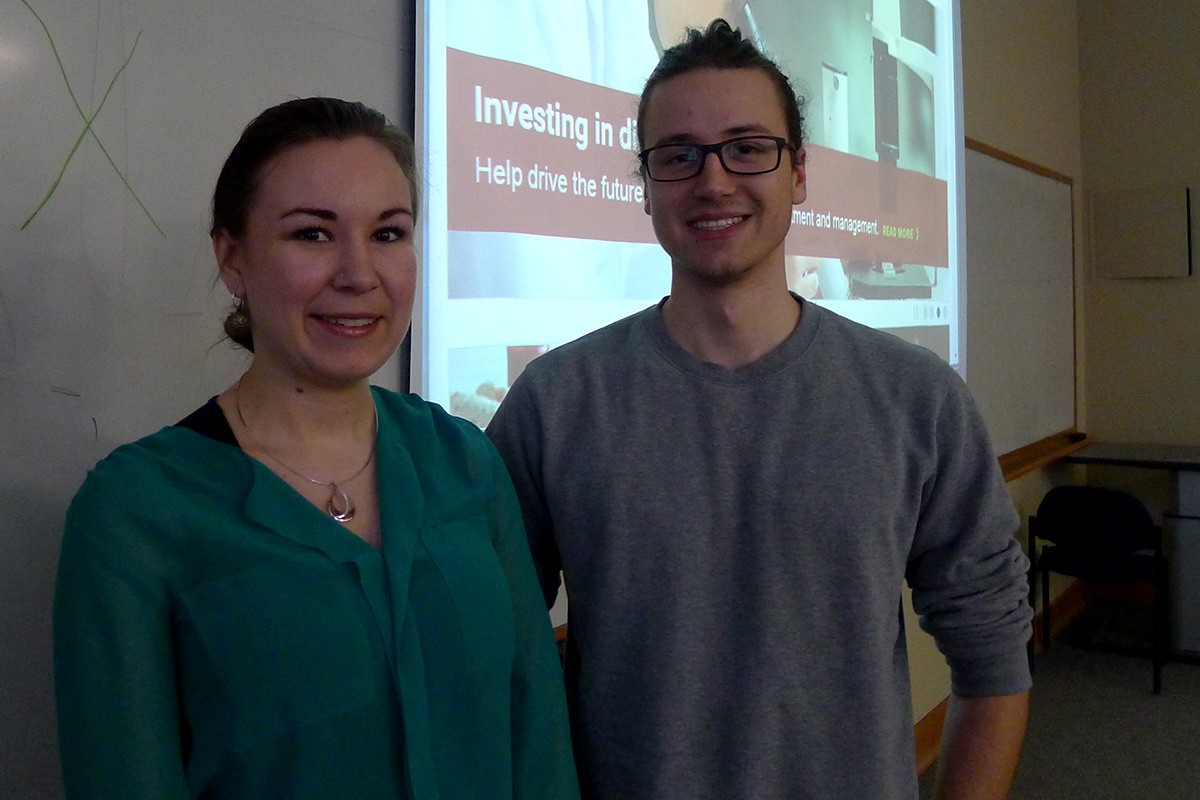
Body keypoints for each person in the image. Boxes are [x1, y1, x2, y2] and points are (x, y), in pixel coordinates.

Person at [486, 20, 1031, 800]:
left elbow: (995, 660)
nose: (713, 182)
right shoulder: (557, 401)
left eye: (748, 147)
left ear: (799, 172)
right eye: (678, 156)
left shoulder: (917, 399)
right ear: (645, 185)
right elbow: (491, 649)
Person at [53, 97, 579, 800]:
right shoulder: (138, 511)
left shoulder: (463, 463)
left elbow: (536, 742)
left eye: (389, 234)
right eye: (313, 234)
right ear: (233, 258)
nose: (360, 273)